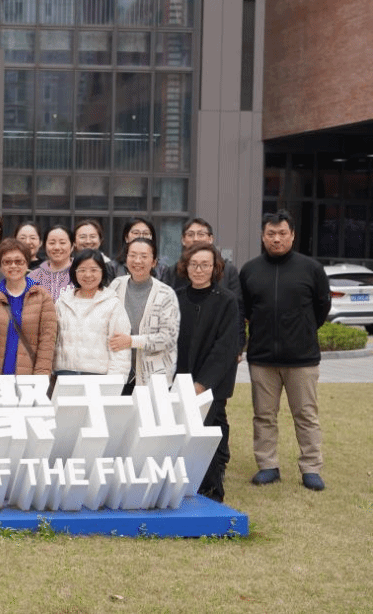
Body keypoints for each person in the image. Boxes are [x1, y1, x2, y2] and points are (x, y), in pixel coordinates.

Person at [240, 210, 331, 491]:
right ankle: (267, 465)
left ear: (292, 235)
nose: (276, 239)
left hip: (302, 359)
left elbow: (322, 308)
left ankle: (311, 468)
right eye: (271, 234)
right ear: (263, 236)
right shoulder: (250, 270)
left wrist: (302, 331)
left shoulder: (311, 269)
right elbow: (246, 310)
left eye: (282, 233)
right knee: (263, 415)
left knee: (306, 415)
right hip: (262, 359)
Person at [174, 242, 241, 502]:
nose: (199, 270)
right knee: (182, 434)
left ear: (215, 268)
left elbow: (226, 347)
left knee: (209, 434)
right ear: (186, 266)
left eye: (205, 265)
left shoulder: (226, 300)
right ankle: (181, 488)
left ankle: (212, 492)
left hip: (211, 384)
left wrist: (202, 384)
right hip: (179, 381)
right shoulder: (176, 297)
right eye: (194, 264)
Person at [162, 217, 245, 352]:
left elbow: (238, 310)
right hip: (181, 344)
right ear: (183, 240)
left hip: (218, 344)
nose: (196, 239)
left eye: (201, 234)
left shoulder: (228, 270)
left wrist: (239, 345)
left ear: (210, 239)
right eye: (190, 234)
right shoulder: (172, 272)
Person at [108, 238, 180, 392]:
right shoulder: (116, 285)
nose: (137, 261)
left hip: (153, 378)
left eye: (144, 256)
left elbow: (167, 338)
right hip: (119, 373)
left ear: (154, 262)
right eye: (132, 255)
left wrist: (131, 341)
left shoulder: (166, 294)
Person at [0, 239, 57, 377]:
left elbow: (47, 341)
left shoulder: (43, 297)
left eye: (19, 261)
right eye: (7, 262)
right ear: (0, 266)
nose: (13, 266)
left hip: (31, 378)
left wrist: (40, 378)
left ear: (27, 263)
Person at [52, 249, 131, 377]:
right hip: (64, 374)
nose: (88, 275)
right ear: (74, 272)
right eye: (82, 270)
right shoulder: (62, 302)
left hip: (98, 377)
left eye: (94, 270)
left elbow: (120, 350)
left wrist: (114, 381)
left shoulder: (112, 304)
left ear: (102, 272)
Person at [27, 224, 74, 302]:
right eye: (52, 243)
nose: (57, 247)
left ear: (72, 246)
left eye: (62, 243)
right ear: (45, 246)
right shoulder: (33, 277)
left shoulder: (80, 273)